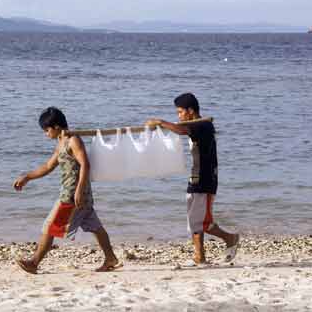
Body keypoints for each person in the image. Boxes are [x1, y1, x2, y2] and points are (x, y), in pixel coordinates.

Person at [13, 107, 120, 274]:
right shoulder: (61, 143)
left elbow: (85, 164)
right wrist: (27, 177)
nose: (46, 134)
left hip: (71, 195)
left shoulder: (73, 141)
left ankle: (34, 263)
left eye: (47, 130)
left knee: (51, 226)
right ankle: (110, 258)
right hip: (80, 195)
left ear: (56, 127)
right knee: (95, 226)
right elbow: (48, 166)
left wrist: (78, 190)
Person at [146, 93, 240, 264]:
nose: (179, 116)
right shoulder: (198, 125)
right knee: (194, 220)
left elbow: (182, 130)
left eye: (180, 112)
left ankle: (230, 238)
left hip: (205, 180)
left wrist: (160, 122)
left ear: (190, 111)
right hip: (195, 178)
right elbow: (183, 129)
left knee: (200, 222)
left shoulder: (202, 125)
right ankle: (200, 256)